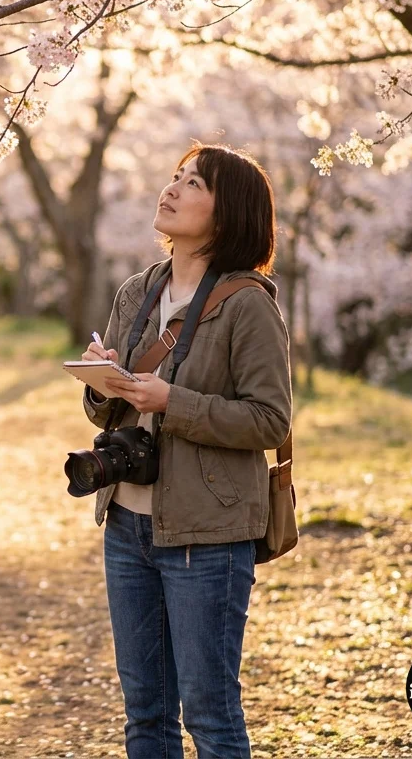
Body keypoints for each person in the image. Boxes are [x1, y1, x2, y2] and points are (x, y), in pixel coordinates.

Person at [78, 142, 293, 759]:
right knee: (144, 714)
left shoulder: (248, 304)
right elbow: (112, 408)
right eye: (174, 177)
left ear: (227, 215)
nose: (171, 190)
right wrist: (102, 382)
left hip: (208, 533)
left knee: (211, 715)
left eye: (193, 184)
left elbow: (270, 420)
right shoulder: (137, 292)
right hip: (126, 524)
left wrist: (174, 401)